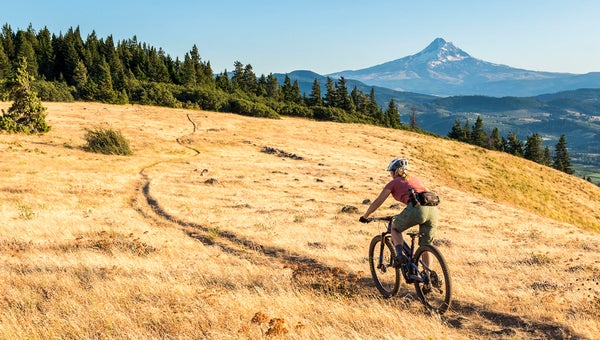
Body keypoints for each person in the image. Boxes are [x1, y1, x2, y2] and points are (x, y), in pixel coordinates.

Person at [359, 158, 439, 264]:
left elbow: (379, 201)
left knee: (394, 229)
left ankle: (400, 257)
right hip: (433, 210)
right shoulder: (416, 180)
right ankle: (428, 276)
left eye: (391, 172)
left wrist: (365, 216)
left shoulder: (393, 183)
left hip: (417, 209)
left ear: (394, 171)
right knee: (426, 246)